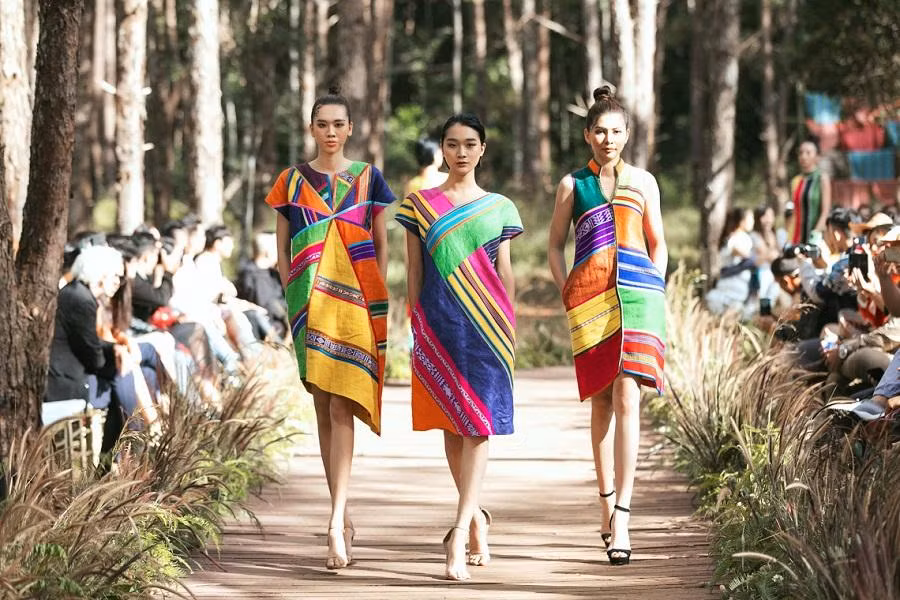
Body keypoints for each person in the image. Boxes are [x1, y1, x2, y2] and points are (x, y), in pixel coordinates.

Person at [266, 86, 395, 570]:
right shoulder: (291, 181)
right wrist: (292, 295)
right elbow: (282, 249)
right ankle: (340, 509)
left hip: (358, 301)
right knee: (323, 405)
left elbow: (380, 244)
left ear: (350, 128)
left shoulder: (368, 178)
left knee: (343, 403)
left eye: (339, 124)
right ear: (311, 128)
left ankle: (335, 521)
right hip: (310, 303)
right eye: (322, 124)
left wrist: (375, 298)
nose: (331, 132)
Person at [397, 113, 522, 581]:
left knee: (479, 427)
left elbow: (505, 271)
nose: (461, 152)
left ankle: (458, 530)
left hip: (489, 327)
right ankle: (477, 521)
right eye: (452, 144)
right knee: (452, 426)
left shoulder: (500, 207)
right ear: (442, 150)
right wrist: (416, 321)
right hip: (439, 324)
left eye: (470, 144)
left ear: (482, 149)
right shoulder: (419, 205)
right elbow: (414, 271)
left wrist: (510, 324)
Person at [548, 86, 667, 566]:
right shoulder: (572, 185)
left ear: (628, 135)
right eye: (600, 131)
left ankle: (622, 516)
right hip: (590, 302)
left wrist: (656, 284)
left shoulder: (644, 183)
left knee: (627, 396)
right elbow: (554, 244)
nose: (608, 139)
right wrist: (568, 289)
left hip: (638, 298)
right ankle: (605, 500)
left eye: (616, 132)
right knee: (601, 400)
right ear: (587, 135)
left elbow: (658, 242)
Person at [705, 208, 757, 318]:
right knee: (730, 316)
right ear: (742, 221)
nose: (753, 221)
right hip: (734, 284)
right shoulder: (737, 237)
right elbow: (735, 250)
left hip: (734, 283)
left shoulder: (736, 237)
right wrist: (751, 259)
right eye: (750, 218)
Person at [790, 139, 832, 245]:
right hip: (795, 237)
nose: (803, 156)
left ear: (817, 156)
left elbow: (825, 211)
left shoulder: (822, 178)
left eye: (808, 153)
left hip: (816, 238)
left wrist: (815, 235)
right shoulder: (796, 181)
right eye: (801, 153)